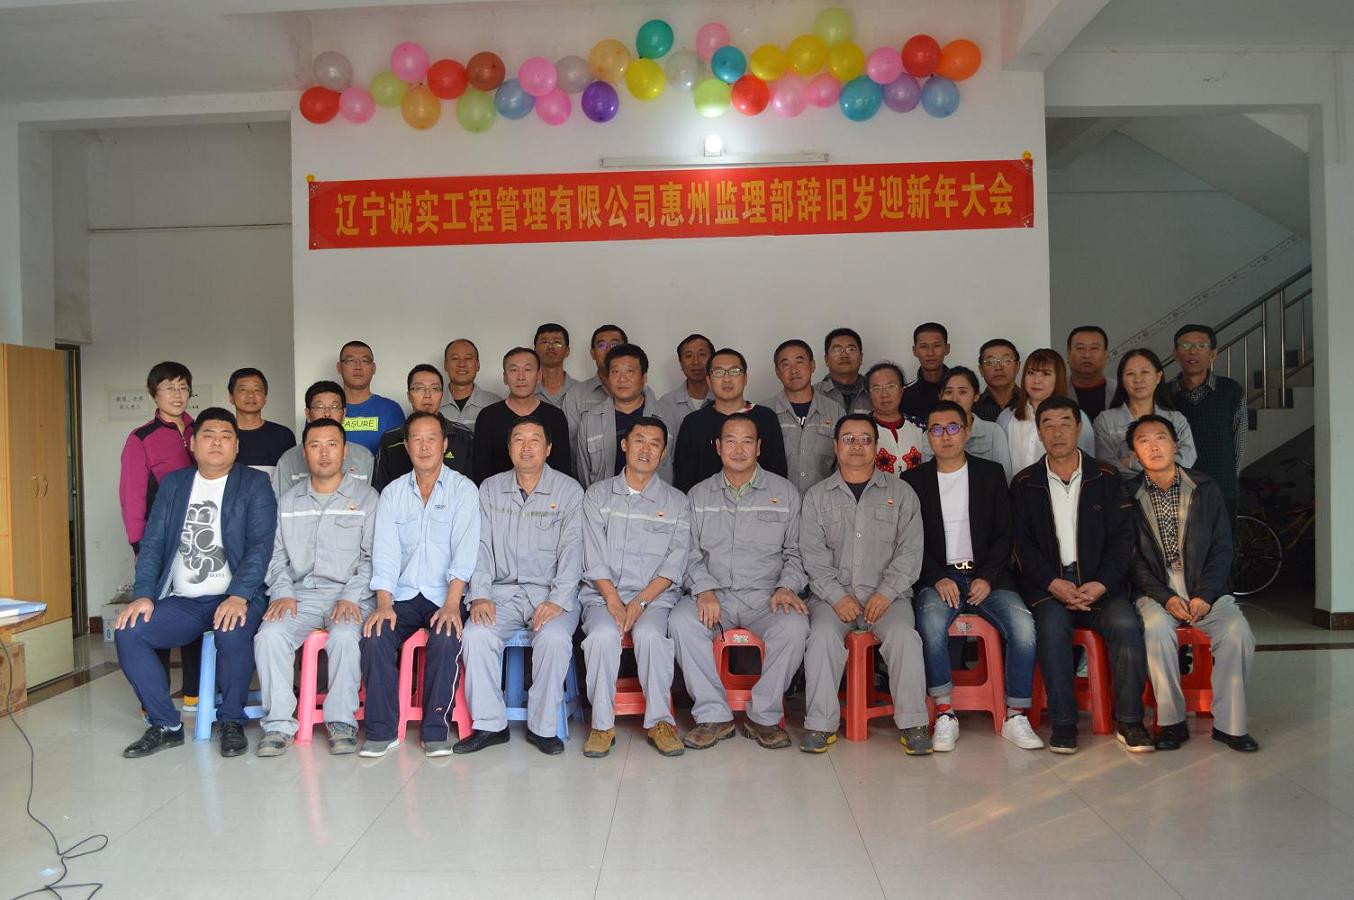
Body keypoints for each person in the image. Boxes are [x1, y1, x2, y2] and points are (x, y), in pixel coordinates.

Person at [114, 407, 277, 759]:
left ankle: (231, 720)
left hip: (236, 596)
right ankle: (165, 724)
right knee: (130, 631)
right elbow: (154, 544)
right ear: (192, 443)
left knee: (232, 630)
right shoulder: (174, 485)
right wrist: (143, 595)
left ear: (236, 446)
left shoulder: (254, 483)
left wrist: (239, 595)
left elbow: (260, 546)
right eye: (208, 436)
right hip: (184, 600)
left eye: (225, 436)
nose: (216, 442)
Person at [1009, 396, 1152, 755]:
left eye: (1064, 423)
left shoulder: (1106, 477)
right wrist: (1053, 583)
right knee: (1052, 629)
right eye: (1048, 425)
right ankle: (1063, 722)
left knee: (1126, 626)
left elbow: (1123, 540)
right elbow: (1020, 545)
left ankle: (1131, 721)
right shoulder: (1024, 483)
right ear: (1039, 432)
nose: (1057, 432)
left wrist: (1101, 583)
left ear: (1078, 428)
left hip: (1101, 583)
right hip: (1049, 586)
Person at [903, 401, 1041, 752]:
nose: (945, 436)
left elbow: (1004, 533)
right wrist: (937, 577)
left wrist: (989, 577)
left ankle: (1015, 715)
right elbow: (910, 540)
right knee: (930, 624)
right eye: (936, 429)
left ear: (966, 431)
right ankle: (945, 713)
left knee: (1024, 627)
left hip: (987, 576)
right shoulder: (913, 480)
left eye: (953, 427)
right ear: (927, 437)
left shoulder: (990, 474)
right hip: (940, 578)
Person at [668, 414, 808, 751]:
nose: (739, 449)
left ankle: (764, 716)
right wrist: (703, 589)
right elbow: (687, 552)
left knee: (795, 626)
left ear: (759, 448)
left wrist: (787, 586)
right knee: (681, 622)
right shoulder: (698, 496)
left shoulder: (785, 494)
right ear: (718, 447)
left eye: (747, 441)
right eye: (730, 441)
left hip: (767, 597)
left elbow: (797, 552)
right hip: (716, 597)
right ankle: (713, 715)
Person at [800, 414, 931, 755]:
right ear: (835, 446)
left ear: (876, 446)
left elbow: (910, 552)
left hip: (889, 599)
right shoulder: (817, 497)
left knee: (904, 637)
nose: (856, 446)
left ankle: (914, 723)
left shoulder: (902, 493)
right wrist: (836, 596)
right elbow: (812, 557)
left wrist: (886, 593)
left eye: (865, 439)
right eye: (848, 439)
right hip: (831, 600)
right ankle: (820, 724)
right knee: (822, 637)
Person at [455, 417, 585, 756]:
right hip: (500, 594)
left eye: (535, 440)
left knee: (554, 639)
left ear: (549, 448)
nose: (526, 447)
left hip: (550, 595)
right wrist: (480, 594)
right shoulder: (489, 489)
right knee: (476, 635)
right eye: (518, 440)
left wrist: (558, 600)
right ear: (509, 448)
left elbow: (574, 550)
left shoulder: (569, 491)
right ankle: (490, 725)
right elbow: (479, 546)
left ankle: (543, 728)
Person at [1127, 415, 1258, 752]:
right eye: (1143, 440)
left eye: (1161, 437)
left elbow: (1223, 546)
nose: (1154, 446)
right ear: (1133, 453)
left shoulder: (1205, 488)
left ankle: (1230, 726)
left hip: (1206, 588)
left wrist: (1205, 594)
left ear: (1176, 445)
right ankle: (1171, 723)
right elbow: (1131, 560)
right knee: (1156, 630)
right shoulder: (1128, 495)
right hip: (1155, 592)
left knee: (1238, 633)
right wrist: (1165, 597)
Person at [358, 411, 480, 758]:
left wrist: (453, 604)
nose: (424, 446)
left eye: (431, 439)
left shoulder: (463, 490)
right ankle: (382, 731)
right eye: (417, 439)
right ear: (407, 446)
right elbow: (384, 553)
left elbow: (465, 552)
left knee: (446, 636)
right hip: (403, 594)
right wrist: (384, 604)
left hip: (446, 595)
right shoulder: (393, 493)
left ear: (444, 445)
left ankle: (435, 730)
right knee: (375, 635)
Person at [253, 418, 376, 757]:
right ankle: (278, 724)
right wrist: (282, 592)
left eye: (332, 445)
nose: (324, 453)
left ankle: (341, 721)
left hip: (351, 595)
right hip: (299, 595)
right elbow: (275, 556)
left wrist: (351, 596)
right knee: (269, 635)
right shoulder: (288, 501)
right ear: (304, 453)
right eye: (315, 445)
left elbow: (373, 558)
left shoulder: (367, 499)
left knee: (345, 636)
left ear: (345, 451)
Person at [578, 416, 689, 758]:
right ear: (624, 445)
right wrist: (613, 599)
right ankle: (601, 725)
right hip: (602, 596)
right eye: (639, 440)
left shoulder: (677, 502)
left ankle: (660, 722)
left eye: (655, 444)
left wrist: (639, 603)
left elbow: (674, 563)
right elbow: (592, 554)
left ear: (663, 452)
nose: (646, 449)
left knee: (652, 636)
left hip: (653, 599)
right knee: (601, 636)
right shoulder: (597, 496)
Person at [118, 361, 201, 704]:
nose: (177, 395)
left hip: (200, 539)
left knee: (197, 613)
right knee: (154, 613)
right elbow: (132, 497)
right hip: (160, 543)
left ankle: (195, 693)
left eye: (183, 387)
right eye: (169, 388)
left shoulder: (203, 430)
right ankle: (156, 698)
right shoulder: (141, 438)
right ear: (154, 393)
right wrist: (139, 547)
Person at [672, 348, 788, 491]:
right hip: (705, 503)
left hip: (760, 502)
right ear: (708, 380)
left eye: (734, 371)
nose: (727, 379)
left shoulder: (766, 418)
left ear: (745, 378)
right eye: (719, 372)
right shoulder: (694, 423)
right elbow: (683, 479)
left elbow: (777, 473)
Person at [1169, 324, 1247, 526]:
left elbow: (1239, 440)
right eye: (1186, 345)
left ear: (1213, 354)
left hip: (1222, 489)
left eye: (1201, 345)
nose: (1193, 351)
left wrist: (1230, 479)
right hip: (1178, 491)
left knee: (1222, 544)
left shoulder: (1230, 390)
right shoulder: (1165, 395)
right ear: (1175, 354)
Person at [472, 347, 572, 483]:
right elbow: (480, 471)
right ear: (505, 377)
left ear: (539, 376)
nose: (521, 377)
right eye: (514, 370)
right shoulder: (488, 416)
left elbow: (563, 470)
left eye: (528, 370)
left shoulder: (555, 416)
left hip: (548, 494)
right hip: (497, 494)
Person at [574, 343, 666, 488]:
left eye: (630, 371)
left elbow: (671, 470)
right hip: (602, 500)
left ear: (644, 377)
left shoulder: (665, 416)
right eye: (615, 372)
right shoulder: (590, 420)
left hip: (654, 500)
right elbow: (583, 472)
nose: (622, 379)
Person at [1094, 349, 1197, 478]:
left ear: (1158, 377)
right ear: (1122, 381)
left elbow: (1187, 459)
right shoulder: (1105, 421)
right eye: (1130, 374)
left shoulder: (1176, 419)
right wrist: (1156, 473)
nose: (1138, 379)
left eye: (1145, 372)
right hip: (1123, 489)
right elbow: (1107, 465)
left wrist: (1131, 462)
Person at [371, 364, 473, 490]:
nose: (427, 395)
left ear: (442, 395)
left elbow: (473, 487)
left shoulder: (464, 436)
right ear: (409, 395)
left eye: (434, 388)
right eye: (419, 388)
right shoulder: (391, 439)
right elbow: (379, 489)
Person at [764, 339, 844, 496]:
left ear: (812, 366)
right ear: (777, 372)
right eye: (786, 364)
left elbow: (843, 463)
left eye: (799, 362)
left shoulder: (835, 411)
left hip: (824, 502)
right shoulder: (764, 412)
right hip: (776, 502)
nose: (794, 370)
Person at [997, 349, 1095, 473]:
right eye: (1031, 373)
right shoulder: (1006, 417)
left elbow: (1087, 466)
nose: (1036, 381)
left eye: (1046, 374)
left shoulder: (1077, 417)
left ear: (1058, 378)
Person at [272, 380, 375, 498]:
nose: (327, 414)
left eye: (334, 407)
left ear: (344, 413)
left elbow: (370, 501)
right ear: (307, 414)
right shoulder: (288, 460)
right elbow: (281, 503)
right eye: (320, 407)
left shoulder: (364, 457)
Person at [924, 367, 1012, 481]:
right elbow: (925, 476)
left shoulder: (993, 432)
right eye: (948, 392)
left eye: (962, 392)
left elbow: (1004, 478)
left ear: (976, 396)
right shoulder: (930, 434)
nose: (955, 399)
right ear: (940, 396)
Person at [335, 340, 405, 455]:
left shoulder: (391, 410)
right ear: (339, 367)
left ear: (373, 368)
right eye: (350, 361)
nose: (358, 367)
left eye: (364, 361)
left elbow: (400, 457)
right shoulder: (323, 409)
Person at [561, 324, 627, 439]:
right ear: (593, 353)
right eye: (602, 345)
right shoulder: (576, 395)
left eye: (614, 344)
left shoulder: (640, 392)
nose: (608, 350)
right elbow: (570, 441)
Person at [228, 367, 295, 478]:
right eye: (243, 390)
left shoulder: (283, 435)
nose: (250, 395)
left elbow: (291, 477)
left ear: (265, 398)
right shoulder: (222, 436)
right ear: (231, 397)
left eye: (257, 390)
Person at [866, 362, 928, 476]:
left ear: (901, 390)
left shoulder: (920, 427)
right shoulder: (861, 429)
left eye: (891, 386)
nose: (884, 395)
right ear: (869, 393)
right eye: (877, 388)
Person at [654, 333, 714, 437]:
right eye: (689, 356)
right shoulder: (666, 404)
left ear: (713, 360)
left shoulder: (724, 399)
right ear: (681, 363)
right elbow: (663, 445)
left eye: (702, 354)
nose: (696, 362)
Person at [440, 338, 503, 429]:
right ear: (445, 365)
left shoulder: (495, 403)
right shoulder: (432, 402)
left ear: (478, 365)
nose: (462, 364)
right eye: (455, 358)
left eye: (468, 358)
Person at [900, 322, 951, 425]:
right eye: (924, 347)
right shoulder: (903, 395)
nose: (930, 353)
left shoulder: (962, 390)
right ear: (914, 351)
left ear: (947, 348)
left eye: (937, 346)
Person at [816, 327, 872, 413]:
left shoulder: (875, 392)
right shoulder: (812, 394)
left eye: (851, 349)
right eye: (837, 350)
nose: (844, 355)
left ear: (861, 357)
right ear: (826, 359)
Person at [1065, 326, 1116, 420]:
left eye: (1094, 348)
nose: (1087, 355)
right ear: (1068, 354)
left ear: (1106, 354)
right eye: (1080, 348)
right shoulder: (1055, 391)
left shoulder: (1121, 391)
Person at [974, 339, 1020, 422]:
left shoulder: (1031, 403)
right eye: (990, 362)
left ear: (1017, 367)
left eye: (1006, 361)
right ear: (981, 370)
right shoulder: (972, 407)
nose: (998, 367)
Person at [533, 322, 576, 407]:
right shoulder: (524, 391)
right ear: (535, 350)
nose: (550, 347)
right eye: (544, 342)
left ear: (567, 351)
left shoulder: (581, 390)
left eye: (557, 342)